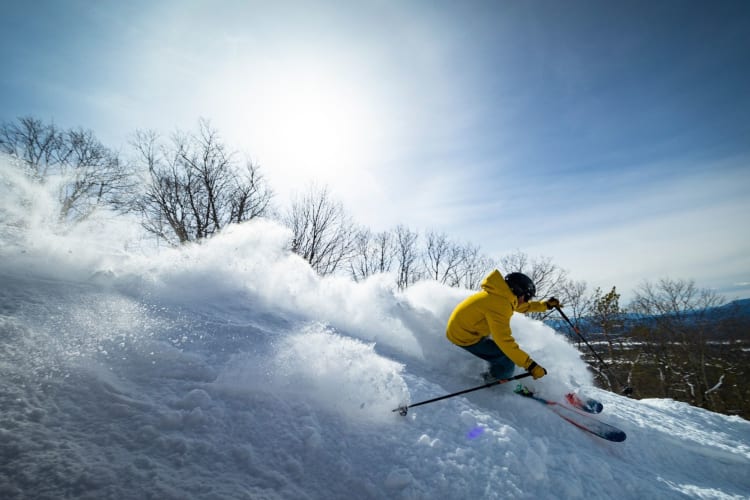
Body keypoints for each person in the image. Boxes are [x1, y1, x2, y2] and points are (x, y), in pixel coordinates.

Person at [446, 269, 560, 382]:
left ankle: (495, 373)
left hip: (464, 330)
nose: (526, 301)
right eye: (526, 297)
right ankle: (494, 381)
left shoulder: (499, 295)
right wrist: (530, 365)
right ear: (519, 292)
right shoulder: (500, 305)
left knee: (505, 351)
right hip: (464, 337)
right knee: (506, 359)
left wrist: (545, 305)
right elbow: (504, 340)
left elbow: (522, 306)